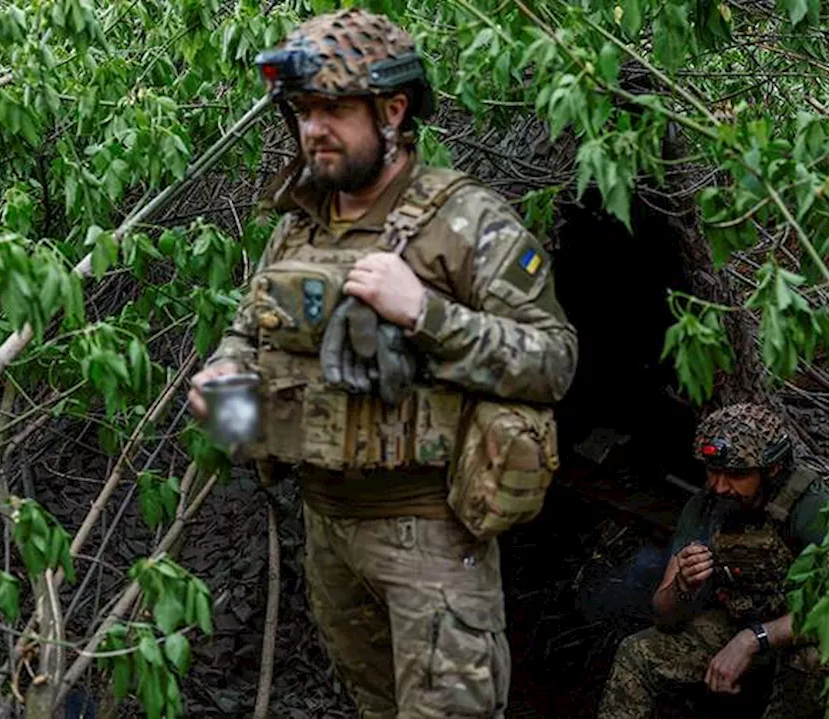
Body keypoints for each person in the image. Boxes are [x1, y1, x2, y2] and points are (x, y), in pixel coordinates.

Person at [187, 8, 578, 718]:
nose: (314, 130)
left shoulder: (467, 222)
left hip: (429, 537)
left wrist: (424, 314)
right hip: (326, 527)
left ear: (393, 110)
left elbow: (553, 360)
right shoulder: (296, 225)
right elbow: (246, 332)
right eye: (303, 111)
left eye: (333, 109)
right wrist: (224, 384)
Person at [597, 403, 829, 719]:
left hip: (801, 629)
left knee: (812, 661)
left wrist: (754, 639)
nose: (720, 486)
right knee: (638, 652)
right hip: (740, 618)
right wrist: (682, 587)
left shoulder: (812, 507)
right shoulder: (706, 507)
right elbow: (665, 617)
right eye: (713, 471)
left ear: (772, 470)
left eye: (737, 475)